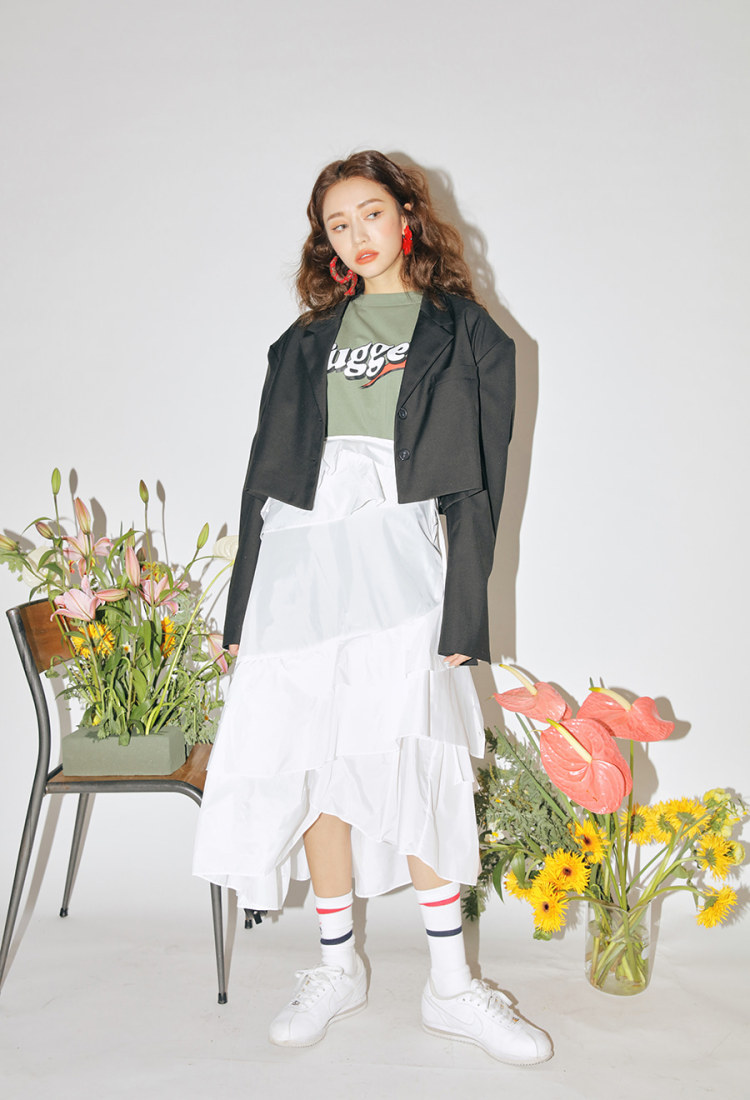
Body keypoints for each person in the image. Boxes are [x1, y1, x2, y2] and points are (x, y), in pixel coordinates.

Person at [192, 150, 552, 1065]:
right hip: (302, 559)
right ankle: (335, 966)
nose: (356, 233)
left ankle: (452, 986)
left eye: (371, 213)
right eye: (337, 223)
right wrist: (243, 612)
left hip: (400, 554)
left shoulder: (468, 333)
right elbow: (263, 474)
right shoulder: (304, 339)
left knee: (419, 754)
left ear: (407, 217)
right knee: (316, 756)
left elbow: (480, 483)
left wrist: (464, 614)